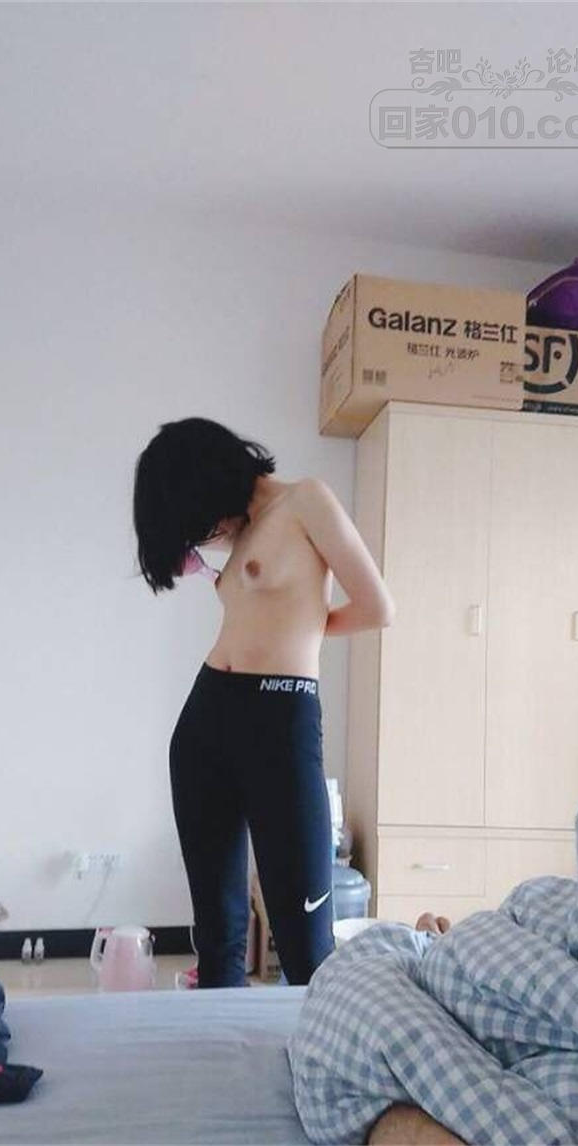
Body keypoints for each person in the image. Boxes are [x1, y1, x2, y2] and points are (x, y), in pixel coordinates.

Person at [132, 416, 397, 988]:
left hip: (281, 717)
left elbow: (378, 607)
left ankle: (318, 1039)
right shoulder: (241, 534)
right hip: (206, 720)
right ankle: (219, 1034)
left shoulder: (306, 501)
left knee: (305, 939)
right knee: (218, 932)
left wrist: (307, 627)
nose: (206, 531)